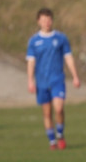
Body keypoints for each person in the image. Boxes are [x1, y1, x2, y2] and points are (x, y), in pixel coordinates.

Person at [26, 8, 81, 149]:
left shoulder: (61, 38)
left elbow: (68, 57)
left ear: (52, 20)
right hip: (42, 81)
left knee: (58, 108)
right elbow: (31, 62)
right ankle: (52, 141)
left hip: (57, 79)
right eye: (43, 20)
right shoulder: (34, 41)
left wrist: (75, 76)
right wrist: (30, 80)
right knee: (47, 112)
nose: (47, 22)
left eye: (49, 19)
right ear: (38, 21)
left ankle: (60, 135)